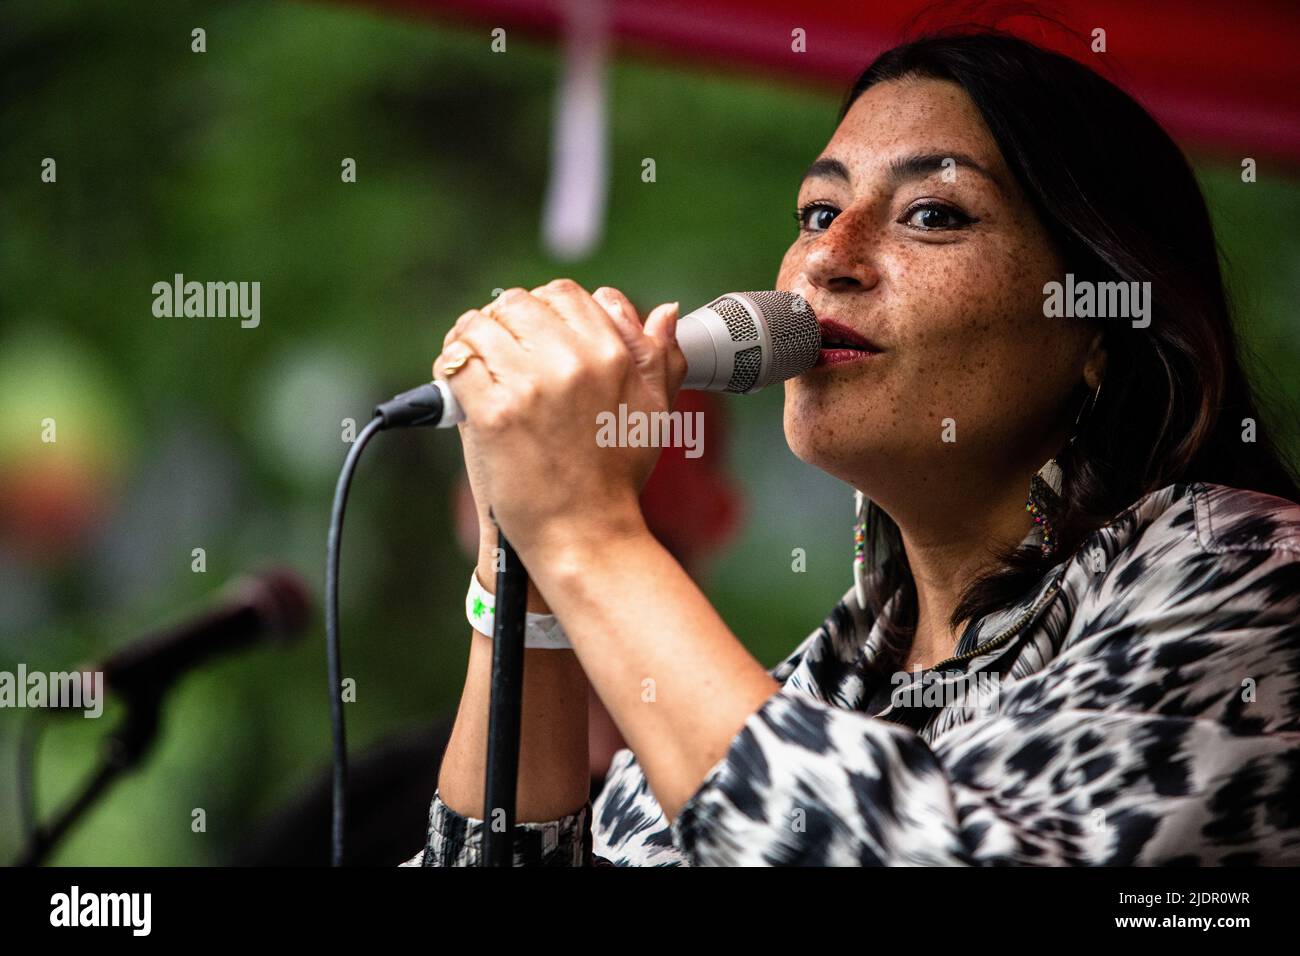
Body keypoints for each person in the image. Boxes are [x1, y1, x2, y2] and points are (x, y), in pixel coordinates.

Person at [407, 30, 1300, 866]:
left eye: (933, 214)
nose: (829, 256)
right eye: (817, 209)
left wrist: (587, 534)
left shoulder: (1250, 572)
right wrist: (521, 566)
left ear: (1101, 324)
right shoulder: (805, 690)